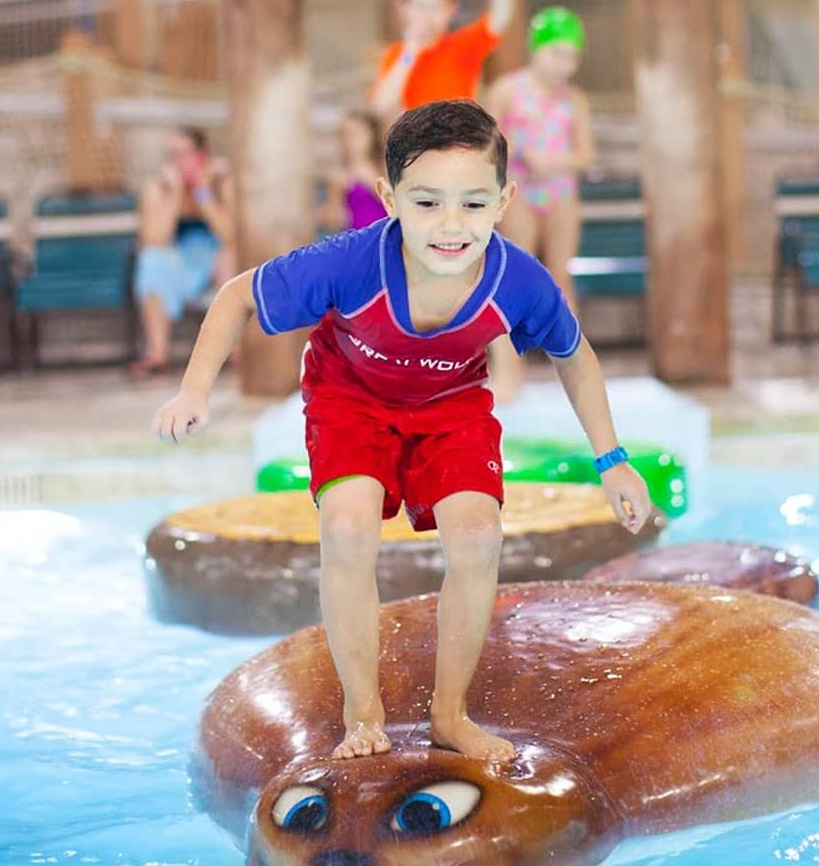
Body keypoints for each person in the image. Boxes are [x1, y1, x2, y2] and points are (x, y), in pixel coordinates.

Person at [151, 100, 650, 764]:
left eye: (473, 205)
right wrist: (194, 388)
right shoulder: (352, 262)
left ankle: (450, 715)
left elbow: (574, 356)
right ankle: (364, 711)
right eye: (427, 204)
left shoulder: (519, 281)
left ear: (504, 200)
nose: (451, 226)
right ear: (389, 198)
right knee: (350, 528)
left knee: (477, 537)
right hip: (350, 400)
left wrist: (610, 458)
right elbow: (239, 293)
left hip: (452, 406)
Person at [485, 5, 595, 401]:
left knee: (561, 279)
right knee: (512, 279)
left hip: (560, 191)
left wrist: (553, 162)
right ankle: (508, 375)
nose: (565, 65)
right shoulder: (508, 90)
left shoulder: (574, 100)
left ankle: (576, 373)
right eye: (557, 53)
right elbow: (487, 143)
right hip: (518, 190)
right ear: (537, 49)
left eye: (572, 56)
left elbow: (585, 154)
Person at [130, 127, 235, 377]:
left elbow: (230, 235)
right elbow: (154, 240)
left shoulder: (221, 184)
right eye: (172, 154)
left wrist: (203, 193)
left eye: (184, 153)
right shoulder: (157, 188)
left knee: (230, 255)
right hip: (177, 265)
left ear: (201, 155)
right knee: (152, 261)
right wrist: (175, 195)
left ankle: (237, 353)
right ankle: (158, 354)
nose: (178, 161)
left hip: (214, 263)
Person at [370, 0, 516, 122]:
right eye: (420, 7)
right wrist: (410, 51)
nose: (428, 15)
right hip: (417, 145)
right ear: (405, 10)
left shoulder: (462, 45)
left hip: (458, 139)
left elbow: (501, 18)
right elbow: (380, 107)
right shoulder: (397, 55)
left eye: (436, 7)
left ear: (450, 11)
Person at [318, 110, 388, 233]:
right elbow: (335, 222)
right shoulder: (339, 176)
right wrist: (336, 197)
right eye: (344, 135)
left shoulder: (383, 167)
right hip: (356, 241)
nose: (350, 141)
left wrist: (367, 177)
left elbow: (396, 203)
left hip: (382, 238)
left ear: (371, 136)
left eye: (355, 134)